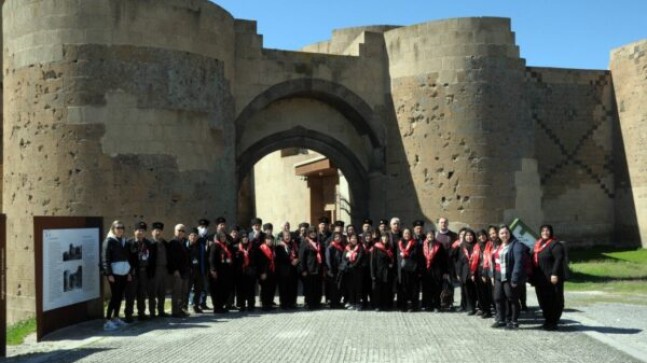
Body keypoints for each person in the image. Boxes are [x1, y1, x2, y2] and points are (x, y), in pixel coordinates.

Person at [492, 224, 526, 329]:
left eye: (506, 233)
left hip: (510, 276)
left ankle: (514, 321)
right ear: (498, 235)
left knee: (512, 299)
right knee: (498, 298)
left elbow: (518, 263)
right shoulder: (499, 245)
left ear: (510, 233)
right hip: (499, 276)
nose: (504, 235)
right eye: (502, 233)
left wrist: (515, 279)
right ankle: (501, 319)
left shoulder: (516, 244)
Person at [533, 224, 566, 331]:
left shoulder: (555, 244)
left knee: (555, 299)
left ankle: (553, 321)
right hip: (541, 278)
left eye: (547, 231)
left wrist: (555, 273)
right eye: (543, 231)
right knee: (543, 300)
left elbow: (558, 259)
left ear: (551, 232)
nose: (545, 233)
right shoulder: (538, 244)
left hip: (552, 277)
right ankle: (547, 320)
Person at [101, 220, 132, 330]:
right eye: (117, 228)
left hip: (124, 273)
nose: (120, 230)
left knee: (120, 296)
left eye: (121, 228)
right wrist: (109, 274)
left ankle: (116, 317)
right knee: (114, 296)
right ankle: (108, 320)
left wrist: (129, 272)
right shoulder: (108, 241)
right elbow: (105, 259)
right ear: (113, 229)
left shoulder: (125, 241)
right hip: (114, 274)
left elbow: (128, 258)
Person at [127, 221, 153, 321]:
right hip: (133, 272)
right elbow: (127, 259)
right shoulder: (129, 243)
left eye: (142, 230)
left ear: (145, 232)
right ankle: (128, 314)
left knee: (142, 294)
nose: (140, 232)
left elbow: (151, 258)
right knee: (131, 294)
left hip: (144, 272)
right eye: (138, 230)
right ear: (134, 231)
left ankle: (141, 313)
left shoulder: (148, 243)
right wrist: (129, 272)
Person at [419, 230, 449, 312]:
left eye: (431, 235)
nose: (430, 236)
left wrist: (445, 272)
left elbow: (444, 259)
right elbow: (420, 259)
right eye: (428, 235)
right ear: (426, 236)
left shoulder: (439, 245)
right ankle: (428, 305)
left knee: (437, 288)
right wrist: (420, 270)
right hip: (426, 270)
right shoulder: (422, 245)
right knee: (427, 288)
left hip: (437, 270)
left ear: (434, 236)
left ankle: (437, 305)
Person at [168, 224, 191, 318]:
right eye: (179, 230)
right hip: (177, 272)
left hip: (184, 271)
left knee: (183, 292)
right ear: (175, 231)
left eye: (183, 231)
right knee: (177, 292)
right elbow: (171, 258)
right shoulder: (173, 242)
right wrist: (175, 270)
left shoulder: (184, 242)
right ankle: (175, 311)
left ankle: (181, 309)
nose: (181, 232)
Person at [435, 217, 458, 310]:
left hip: (450, 263)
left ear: (447, 223)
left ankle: (450, 303)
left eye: (445, 222)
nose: (443, 224)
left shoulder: (453, 235)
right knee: (440, 283)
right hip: (439, 264)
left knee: (450, 283)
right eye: (441, 222)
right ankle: (441, 302)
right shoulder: (436, 235)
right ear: (439, 224)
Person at [299, 226, 323, 309]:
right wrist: (303, 270)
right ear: (308, 233)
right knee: (309, 287)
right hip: (309, 269)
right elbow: (301, 258)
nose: (313, 233)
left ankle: (317, 303)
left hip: (318, 268)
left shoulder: (318, 242)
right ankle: (309, 303)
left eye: (314, 232)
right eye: (311, 232)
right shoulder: (305, 242)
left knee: (317, 287)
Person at [396, 228, 420, 312]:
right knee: (403, 288)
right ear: (402, 234)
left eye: (408, 233)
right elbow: (397, 256)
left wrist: (406, 254)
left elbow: (416, 254)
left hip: (412, 269)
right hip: (402, 270)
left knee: (413, 288)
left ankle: (413, 306)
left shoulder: (415, 243)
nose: (406, 235)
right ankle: (403, 306)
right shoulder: (399, 243)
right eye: (405, 233)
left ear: (411, 234)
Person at [209, 232, 234, 314]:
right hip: (217, 271)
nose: (223, 238)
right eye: (221, 236)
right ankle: (217, 307)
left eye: (224, 236)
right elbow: (211, 259)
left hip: (226, 272)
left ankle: (221, 305)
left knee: (225, 289)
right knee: (217, 290)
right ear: (218, 237)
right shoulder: (215, 245)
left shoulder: (227, 245)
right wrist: (213, 270)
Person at [148, 222, 169, 318]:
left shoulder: (165, 243)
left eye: (160, 231)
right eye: (156, 231)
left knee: (162, 291)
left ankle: (161, 310)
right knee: (153, 292)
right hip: (154, 270)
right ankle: (152, 312)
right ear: (152, 232)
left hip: (164, 270)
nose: (158, 232)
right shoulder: (149, 243)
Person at [472, 229, 494, 318]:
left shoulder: (490, 245)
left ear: (486, 235)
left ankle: (489, 310)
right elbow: (473, 260)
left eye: (483, 235)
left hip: (488, 270)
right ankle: (484, 309)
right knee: (480, 292)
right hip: (478, 270)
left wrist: (485, 273)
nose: (482, 237)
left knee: (489, 292)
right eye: (479, 235)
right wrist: (472, 273)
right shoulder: (476, 246)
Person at [275, 230, 299, 309]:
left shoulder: (294, 245)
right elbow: (279, 258)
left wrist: (297, 260)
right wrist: (291, 261)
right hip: (283, 271)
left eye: (289, 235)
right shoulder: (279, 246)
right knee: (284, 288)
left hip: (293, 270)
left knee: (292, 287)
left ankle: (292, 303)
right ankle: (284, 304)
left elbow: (298, 254)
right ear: (283, 237)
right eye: (286, 236)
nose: (287, 237)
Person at [456, 229, 478, 315]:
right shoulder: (462, 247)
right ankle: (470, 308)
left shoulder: (477, 246)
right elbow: (459, 261)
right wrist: (458, 272)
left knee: (476, 290)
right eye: (467, 236)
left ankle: (479, 307)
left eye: (471, 235)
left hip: (475, 270)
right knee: (467, 291)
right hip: (465, 271)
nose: (469, 237)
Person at [234, 231, 257, 312]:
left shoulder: (253, 247)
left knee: (251, 289)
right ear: (241, 238)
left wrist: (254, 269)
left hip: (250, 270)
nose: (245, 239)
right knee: (241, 289)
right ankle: (242, 305)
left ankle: (251, 305)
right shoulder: (236, 247)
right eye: (243, 237)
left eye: (246, 237)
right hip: (240, 271)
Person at [370, 233, 395, 311]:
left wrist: (391, 264)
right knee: (377, 289)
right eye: (383, 237)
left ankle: (385, 305)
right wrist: (373, 274)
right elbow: (372, 262)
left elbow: (392, 259)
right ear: (381, 238)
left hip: (387, 272)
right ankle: (377, 305)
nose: (385, 239)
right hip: (378, 272)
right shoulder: (376, 247)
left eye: (386, 237)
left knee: (386, 289)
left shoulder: (390, 248)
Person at [341, 234, 364, 310]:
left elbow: (360, 258)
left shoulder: (360, 248)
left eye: (355, 238)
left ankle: (358, 303)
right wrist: (348, 263)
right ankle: (351, 302)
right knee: (350, 287)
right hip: (348, 271)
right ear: (349, 239)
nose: (354, 239)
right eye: (352, 238)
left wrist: (353, 265)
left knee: (358, 287)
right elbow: (344, 258)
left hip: (357, 270)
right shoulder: (347, 247)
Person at [187, 227, 207, 313]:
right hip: (190, 271)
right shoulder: (186, 245)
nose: (193, 237)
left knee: (198, 290)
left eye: (195, 235)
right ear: (189, 236)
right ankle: (185, 306)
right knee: (187, 290)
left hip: (199, 270)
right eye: (191, 235)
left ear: (198, 237)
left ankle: (196, 305)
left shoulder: (201, 246)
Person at [325, 232, 346, 308]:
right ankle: (333, 303)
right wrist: (330, 270)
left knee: (339, 287)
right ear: (333, 238)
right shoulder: (331, 247)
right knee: (334, 288)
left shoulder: (342, 246)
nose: (338, 238)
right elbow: (328, 259)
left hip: (340, 270)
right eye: (336, 237)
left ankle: (337, 302)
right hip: (333, 271)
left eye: (339, 237)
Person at [195, 219, 211, 311]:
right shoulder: (196, 239)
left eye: (205, 227)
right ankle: (195, 303)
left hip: (205, 267)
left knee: (205, 286)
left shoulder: (208, 239)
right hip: (197, 267)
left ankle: (203, 303)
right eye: (201, 227)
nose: (203, 229)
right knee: (196, 287)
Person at [258, 235, 276, 310]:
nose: (270, 241)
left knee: (271, 288)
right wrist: (262, 272)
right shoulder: (261, 248)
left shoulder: (273, 248)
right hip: (264, 272)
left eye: (271, 239)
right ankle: (264, 305)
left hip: (272, 271)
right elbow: (259, 262)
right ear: (265, 240)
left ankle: (269, 303)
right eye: (268, 239)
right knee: (265, 289)